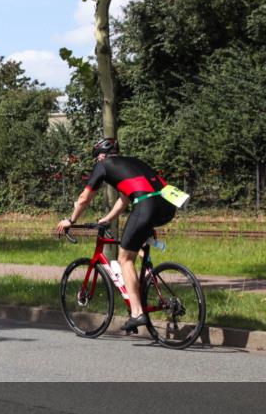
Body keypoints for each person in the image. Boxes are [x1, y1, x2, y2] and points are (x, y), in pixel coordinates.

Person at [55, 138, 176, 333]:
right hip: (168, 204)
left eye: (97, 158)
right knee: (138, 247)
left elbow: (84, 198)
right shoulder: (132, 162)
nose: (97, 162)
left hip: (146, 205)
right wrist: (107, 218)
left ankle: (137, 313)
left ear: (101, 155)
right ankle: (147, 282)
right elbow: (125, 198)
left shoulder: (103, 165)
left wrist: (71, 220)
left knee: (124, 258)